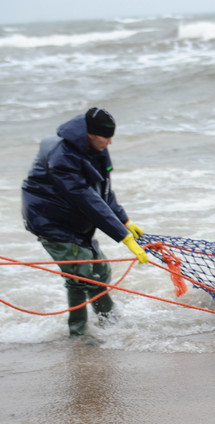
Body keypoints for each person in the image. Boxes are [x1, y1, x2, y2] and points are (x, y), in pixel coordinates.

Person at [21, 107, 149, 339]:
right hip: (51, 220)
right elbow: (87, 199)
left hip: (75, 218)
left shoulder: (96, 148)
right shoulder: (62, 158)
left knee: (99, 271)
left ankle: (109, 320)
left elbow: (103, 190)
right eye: (106, 136)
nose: (110, 142)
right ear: (90, 134)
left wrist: (124, 219)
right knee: (80, 276)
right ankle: (78, 334)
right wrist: (123, 236)